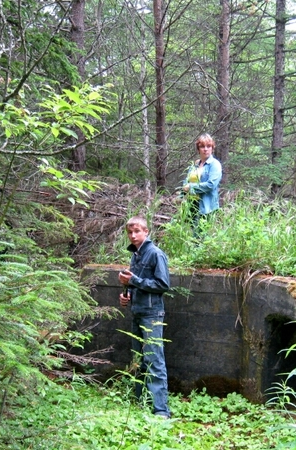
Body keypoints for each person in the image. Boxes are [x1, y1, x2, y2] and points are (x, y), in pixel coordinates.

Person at [118, 216, 172, 418]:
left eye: (137, 231)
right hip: (137, 312)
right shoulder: (136, 255)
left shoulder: (155, 254)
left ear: (146, 232)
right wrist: (127, 294)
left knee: (154, 359)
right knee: (138, 358)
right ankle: (139, 400)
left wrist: (135, 280)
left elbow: (163, 285)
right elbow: (137, 284)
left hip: (152, 314)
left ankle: (161, 410)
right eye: (130, 232)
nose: (133, 235)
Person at [182, 133, 222, 229]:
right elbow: (186, 181)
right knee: (191, 237)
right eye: (202, 146)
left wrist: (191, 187)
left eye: (208, 146)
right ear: (198, 149)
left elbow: (211, 185)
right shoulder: (195, 165)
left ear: (212, 148)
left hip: (206, 207)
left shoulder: (214, 165)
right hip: (191, 206)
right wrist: (182, 193)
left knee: (201, 238)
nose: (205, 149)